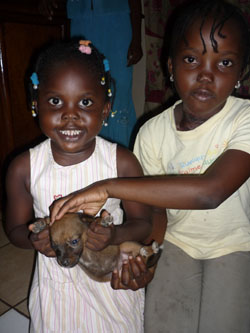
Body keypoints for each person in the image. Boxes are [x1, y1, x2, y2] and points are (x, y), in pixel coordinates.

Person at [50, 1, 250, 332]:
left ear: (241, 74)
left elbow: (211, 192)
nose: (205, 74)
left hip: (237, 245)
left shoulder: (244, 118)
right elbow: (157, 212)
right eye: (191, 59)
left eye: (224, 62)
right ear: (170, 67)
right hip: (178, 243)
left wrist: (109, 186)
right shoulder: (152, 133)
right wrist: (149, 256)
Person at [5, 39, 154, 332]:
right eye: (55, 101)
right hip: (56, 291)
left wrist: (114, 235)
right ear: (35, 104)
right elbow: (14, 230)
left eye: (85, 102)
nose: (70, 114)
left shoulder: (121, 163)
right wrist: (34, 238)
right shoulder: (24, 168)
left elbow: (143, 223)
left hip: (110, 285)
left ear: (106, 108)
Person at [39, 0, 143, 148]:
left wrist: (137, 39)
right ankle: (89, 156)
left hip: (117, 20)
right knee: (84, 90)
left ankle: (122, 153)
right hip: (80, 19)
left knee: (118, 92)